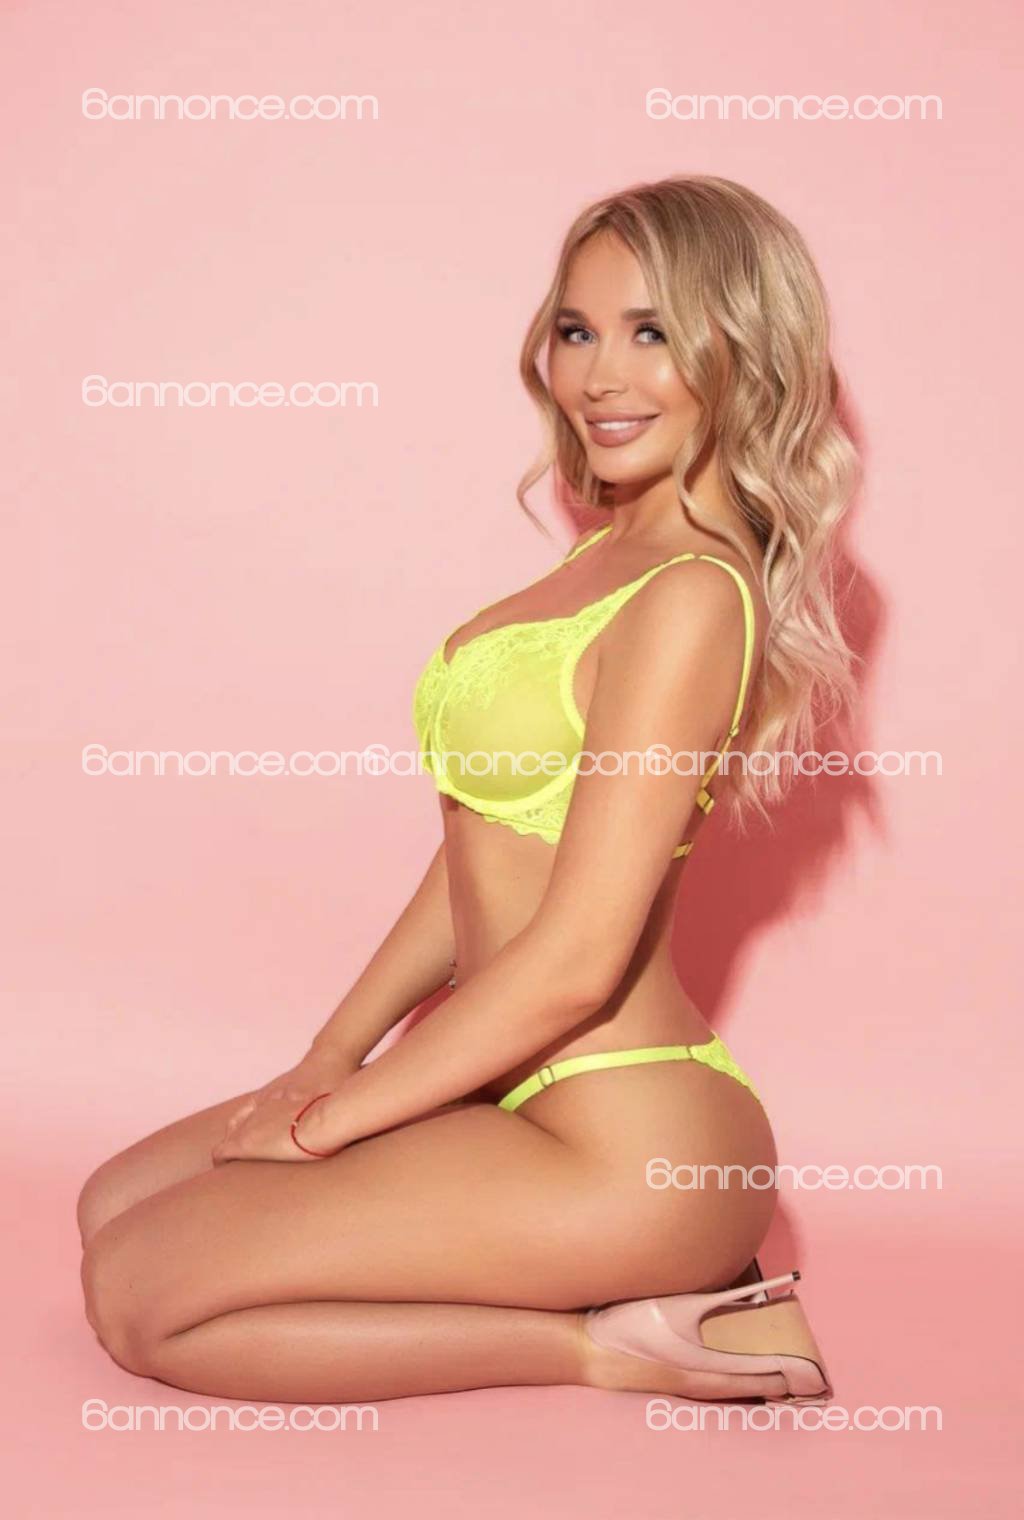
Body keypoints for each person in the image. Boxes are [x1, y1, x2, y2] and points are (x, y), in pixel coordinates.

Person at [78, 174, 857, 1406]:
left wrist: (330, 1124)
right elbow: (476, 856)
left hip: (628, 1139)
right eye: (576, 330)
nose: (600, 376)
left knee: (140, 1289)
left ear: (743, 350)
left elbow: (577, 960)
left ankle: (622, 1342)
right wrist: (327, 1057)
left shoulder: (693, 595)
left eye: (652, 331)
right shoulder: (607, 554)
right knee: (111, 1202)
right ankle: (601, 1295)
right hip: (505, 1087)